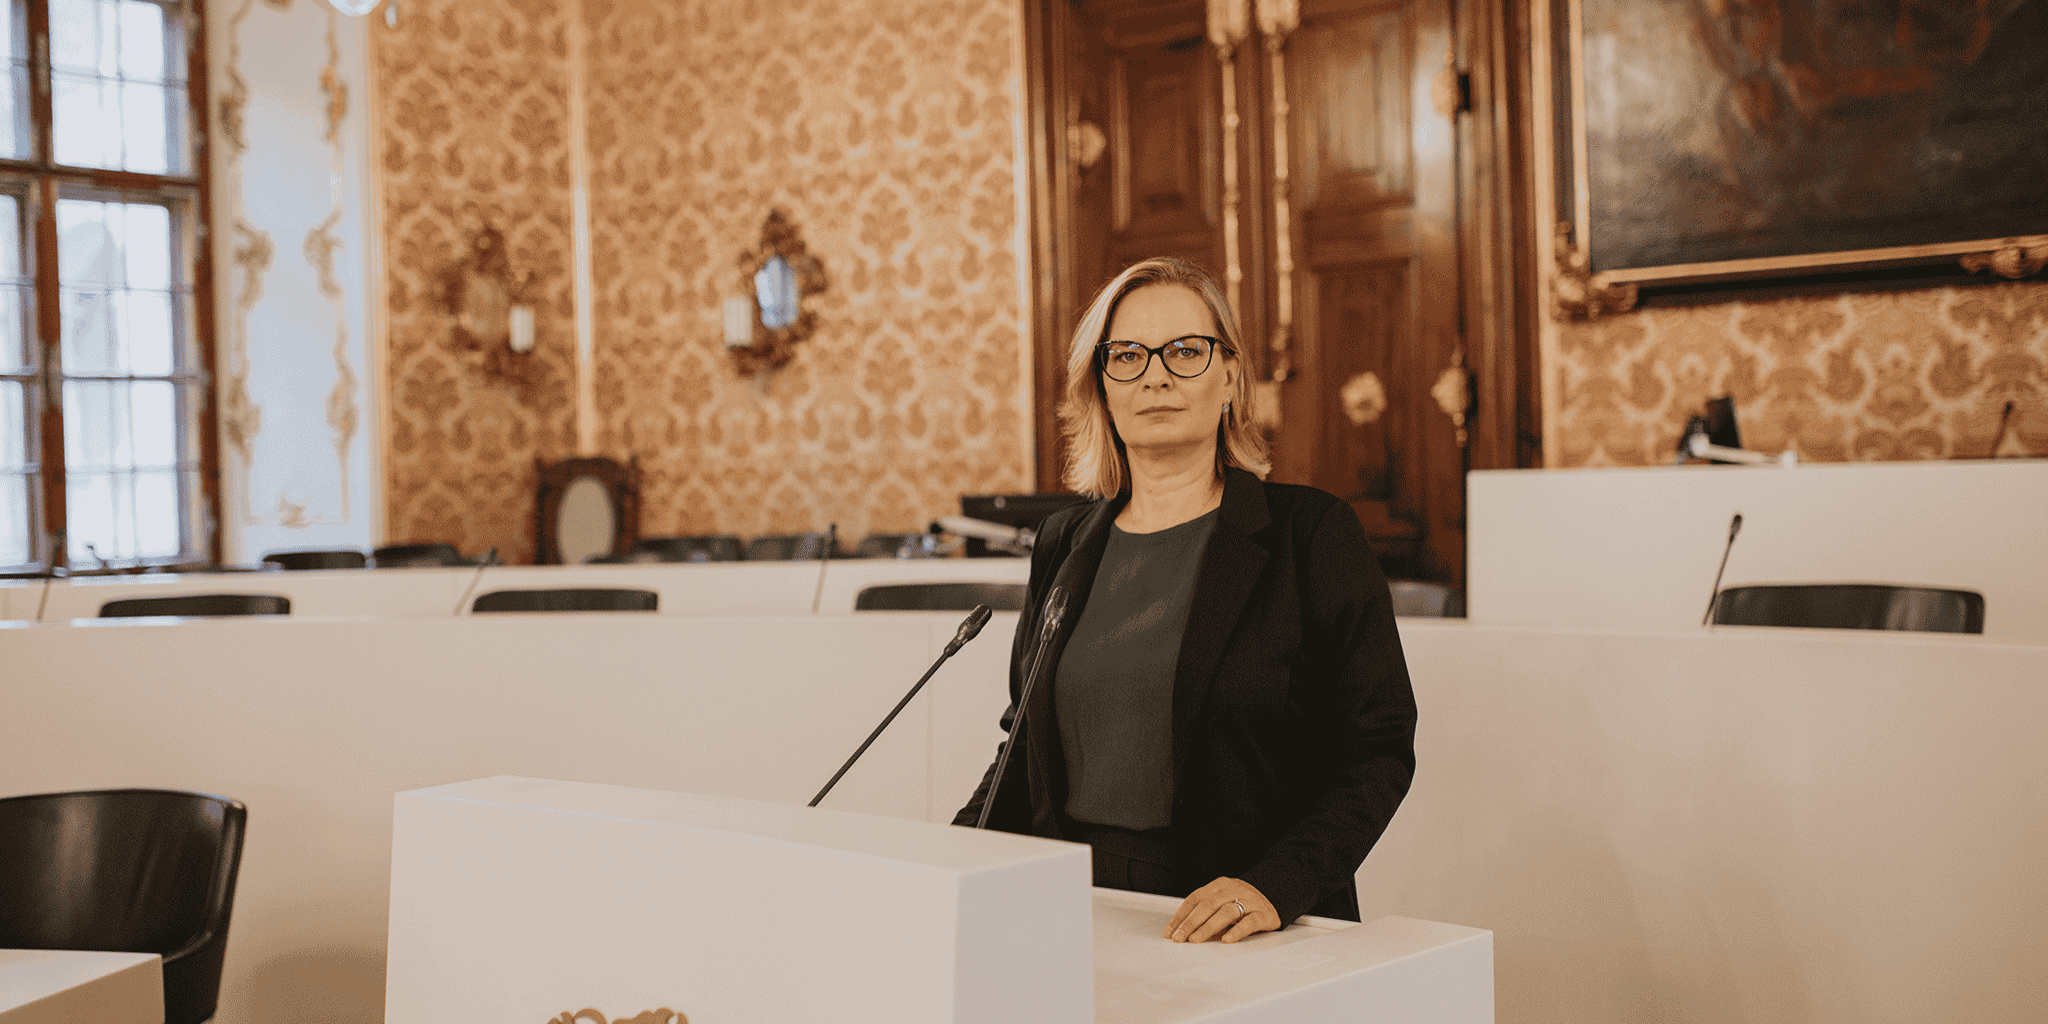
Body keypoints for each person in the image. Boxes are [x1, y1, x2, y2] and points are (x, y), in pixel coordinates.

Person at [953, 256, 1418, 945]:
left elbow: (1377, 748)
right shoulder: (1063, 541)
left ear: (1230, 376)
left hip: (1239, 918)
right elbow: (1022, 748)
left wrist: (1275, 885)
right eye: (1127, 356)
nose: (1155, 376)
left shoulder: (1312, 534)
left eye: (1185, 351)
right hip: (1069, 904)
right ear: (1100, 386)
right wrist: (950, 859)